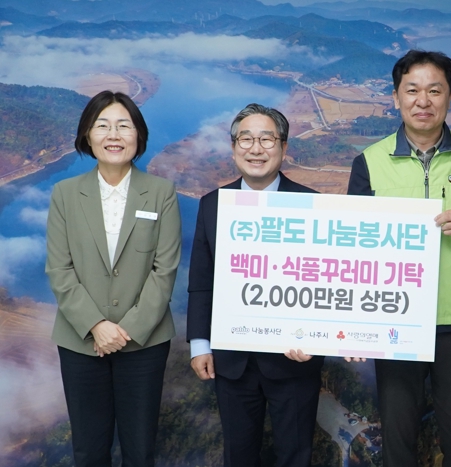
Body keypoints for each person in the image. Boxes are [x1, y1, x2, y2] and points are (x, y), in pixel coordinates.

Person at [347, 50, 451, 467]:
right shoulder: (369, 163)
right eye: (412, 90)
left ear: (449, 97)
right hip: (394, 322)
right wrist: (354, 324)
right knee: (398, 441)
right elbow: (353, 250)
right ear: (396, 98)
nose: (423, 101)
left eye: (434, 91)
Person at [46, 90, 182, 467]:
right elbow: (59, 269)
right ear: (87, 136)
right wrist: (96, 325)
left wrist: (126, 330)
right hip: (80, 342)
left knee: (140, 450)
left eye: (124, 126)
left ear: (138, 135)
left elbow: (165, 270)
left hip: (144, 342)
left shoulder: (162, 193)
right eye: (102, 125)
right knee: (89, 450)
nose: (114, 135)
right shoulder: (64, 194)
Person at [187, 103, 324, 467]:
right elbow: (201, 281)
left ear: (283, 147)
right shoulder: (212, 205)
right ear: (234, 148)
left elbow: (325, 282)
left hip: (294, 360)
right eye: (246, 139)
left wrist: (316, 338)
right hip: (233, 362)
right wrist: (200, 344)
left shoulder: (314, 205)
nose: (256, 148)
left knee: (295, 456)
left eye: (267, 139)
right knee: (239, 455)